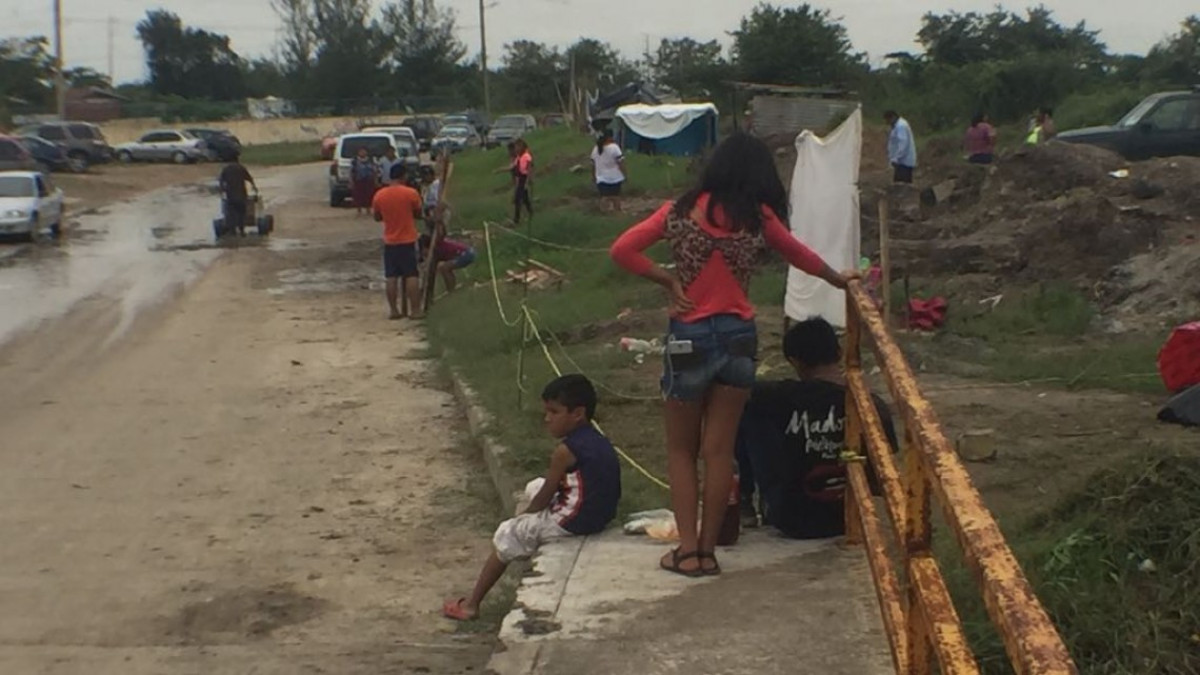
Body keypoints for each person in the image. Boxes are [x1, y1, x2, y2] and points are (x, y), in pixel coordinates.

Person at [609, 133, 853, 577]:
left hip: (688, 338)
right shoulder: (758, 218)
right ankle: (708, 550)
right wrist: (842, 281)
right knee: (719, 451)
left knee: (681, 451)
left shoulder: (679, 211)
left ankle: (686, 552)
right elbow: (799, 254)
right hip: (739, 336)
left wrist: (668, 281)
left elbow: (622, 250)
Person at [443, 375, 621, 621]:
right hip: (598, 514)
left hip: (573, 522)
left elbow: (546, 494)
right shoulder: (598, 440)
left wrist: (525, 516)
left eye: (553, 412)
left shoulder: (565, 451)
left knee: (509, 532)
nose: (546, 418)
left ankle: (472, 605)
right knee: (533, 486)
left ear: (577, 413)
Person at [735, 317, 897, 538]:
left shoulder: (777, 396)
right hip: (852, 518)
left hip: (792, 519)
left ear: (795, 362)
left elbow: (737, 391)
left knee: (744, 409)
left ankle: (744, 499)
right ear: (839, 353)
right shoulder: (872, 405)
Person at [372, 163, 424, 320]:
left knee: (391, 276)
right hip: (408, 239)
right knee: (411, 275)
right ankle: (415, 310)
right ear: (404, 176)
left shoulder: (380, 195)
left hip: (390, 240)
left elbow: (377, 217)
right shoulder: (411, 193)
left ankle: (394, 310)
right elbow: (418, 213)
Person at [218, 151, 257, 236]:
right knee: (241, 213)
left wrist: (222, 191)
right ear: (237, 159)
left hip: (230, 196)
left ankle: (232, 231)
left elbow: (221, 181)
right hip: (241, 195)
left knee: (231, 213)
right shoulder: (241, 168)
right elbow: (250, 179)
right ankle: (242, 230)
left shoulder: (226, 169)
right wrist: (255, 189)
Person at [591, 129, 626, 212]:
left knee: (604, 197)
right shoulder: (614, 147)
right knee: (615, 196)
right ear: (610, 137)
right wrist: (625, 174)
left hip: (601, 177)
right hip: (615, 177)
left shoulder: (596, 149)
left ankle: (603, 213)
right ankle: (618, 212)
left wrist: (593, 176)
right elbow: (620, 163)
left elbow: (593, 164)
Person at [884, 110, 917, 184]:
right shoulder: (898, 126)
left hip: (903, 162)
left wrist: (896, 158)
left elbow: (903, 143)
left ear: (892, 117)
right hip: (901, 162)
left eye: (888, 120)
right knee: (899, 184)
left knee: (902, 185)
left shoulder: (901, 126)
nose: (887, 123)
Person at [351, 146, 380, 217]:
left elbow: (375, 171)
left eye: (364, 151)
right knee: (358, 196)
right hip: (359, 180)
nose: (362, 153)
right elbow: (351, 172)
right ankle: (359, 210)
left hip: (369, 180)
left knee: (369, 195)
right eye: (361, 151)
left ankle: (368, 210)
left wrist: (376, 180)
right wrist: (351, 181)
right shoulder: (354, 161)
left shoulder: (371, 160)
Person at [513, 139, 534, 224]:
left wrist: (528, 181)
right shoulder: (519, 157)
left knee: (518, 199)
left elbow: (529, 170)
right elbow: (513, 166)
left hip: (524, 179)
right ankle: (530, 213)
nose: (516, 149)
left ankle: (516, 219)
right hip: (520, 179)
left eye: (517, 147)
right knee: (525, 199)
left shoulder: (526, 156)